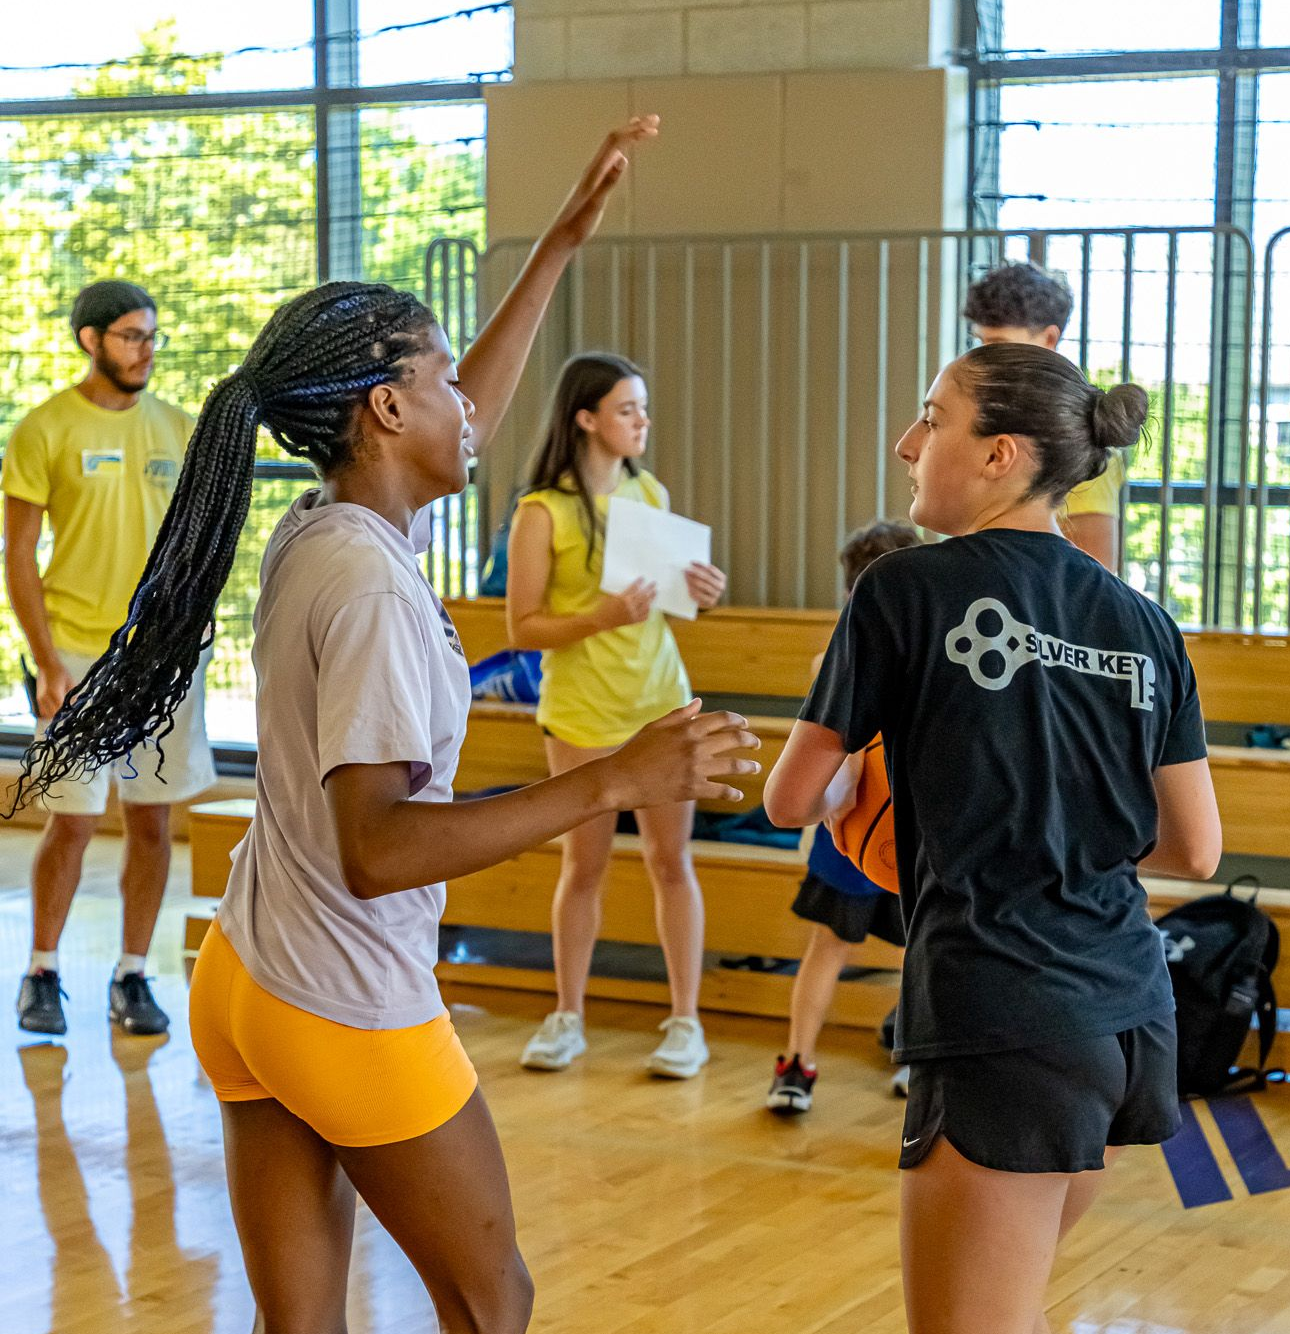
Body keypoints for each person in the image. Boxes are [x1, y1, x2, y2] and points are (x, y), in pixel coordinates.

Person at [16, 117, 761, 1334]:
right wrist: (615, 775)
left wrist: (560, 246)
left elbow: (469, 402)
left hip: (248, 977)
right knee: (492, 1300)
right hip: (340, 995)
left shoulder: (330, 523)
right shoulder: (367, 586)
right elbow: (381, 848)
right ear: (380, 406)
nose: (470, 404)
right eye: (437, 380)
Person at [764, 342, 1221, 1334]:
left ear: (1001, 453)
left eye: (932, 417)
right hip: (1129, 1015)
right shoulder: (1148, 624)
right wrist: (1055, 827)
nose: (907, 442)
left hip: (1000, 1003)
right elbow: (1195, 846)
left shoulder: (901, 589)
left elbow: (792, 798)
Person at [506, 352, 727, 1078]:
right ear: (586, 418)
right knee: (584, 866)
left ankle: (684, 1023)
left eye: (642, 408)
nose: (641, 421)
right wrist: (599, 617)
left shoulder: (649, 493)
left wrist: (701, 592)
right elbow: (523, 628)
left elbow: (667, 602)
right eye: (627, 409)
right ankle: (567, 1014)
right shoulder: (542, 511)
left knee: (671, 861)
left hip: (659, 701)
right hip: (579, 712)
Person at [4, 281, 215, 1038]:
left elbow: (199, 543)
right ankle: (43, 970)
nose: (146, 349)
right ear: (90, 340)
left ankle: (133, 974)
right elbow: (20, 557)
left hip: (161, 656)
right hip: (78, 652)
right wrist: (46, 659)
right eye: (131, 336)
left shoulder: (179, 428)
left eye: (153, 336)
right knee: (72, 821)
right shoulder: (44, 429)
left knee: (152, 824)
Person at [766, 519, 920, 1114]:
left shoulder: (937, 649)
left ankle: (915, 1053)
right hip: (850, 825)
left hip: (910, 829)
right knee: (828, 944)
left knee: (922, 949)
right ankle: (797, 1062)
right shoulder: (833, 660)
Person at [963, 261, 1126, 570]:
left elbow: (1097, 572)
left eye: (999, 345)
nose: (986, 357)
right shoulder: (977, 416)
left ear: (1050, 339)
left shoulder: (1081, 434)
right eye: (979, 343)